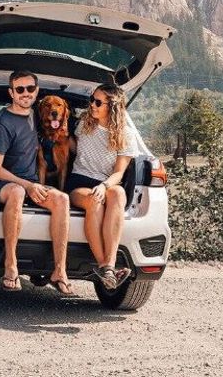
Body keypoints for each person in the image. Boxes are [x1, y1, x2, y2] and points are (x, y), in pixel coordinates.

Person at [0, 70, 76, 295]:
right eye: (19, 89)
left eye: (30, 89)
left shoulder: (38, 115)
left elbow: (58, 122)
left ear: (37, 92)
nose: (25, 93)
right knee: (17, 192)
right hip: (3, 184)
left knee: (62, 199)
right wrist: (28, 185)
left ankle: (59, 271)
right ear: (11, 92)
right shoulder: (1, 124)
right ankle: (10, 265)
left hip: (33, 184)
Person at [66, 83, 145, 290]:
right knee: (94, 201)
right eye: (92, 99)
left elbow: (119, 173)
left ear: (113, 106)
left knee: (118, 193)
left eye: (98, 102)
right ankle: (105, 267)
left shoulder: (126, 135)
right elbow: (75, 150)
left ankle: (108, 266)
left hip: (106, 182)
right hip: (79, 182)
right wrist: (63, 136)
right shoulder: (84, 123)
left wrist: (103, 185)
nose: (92, 104)